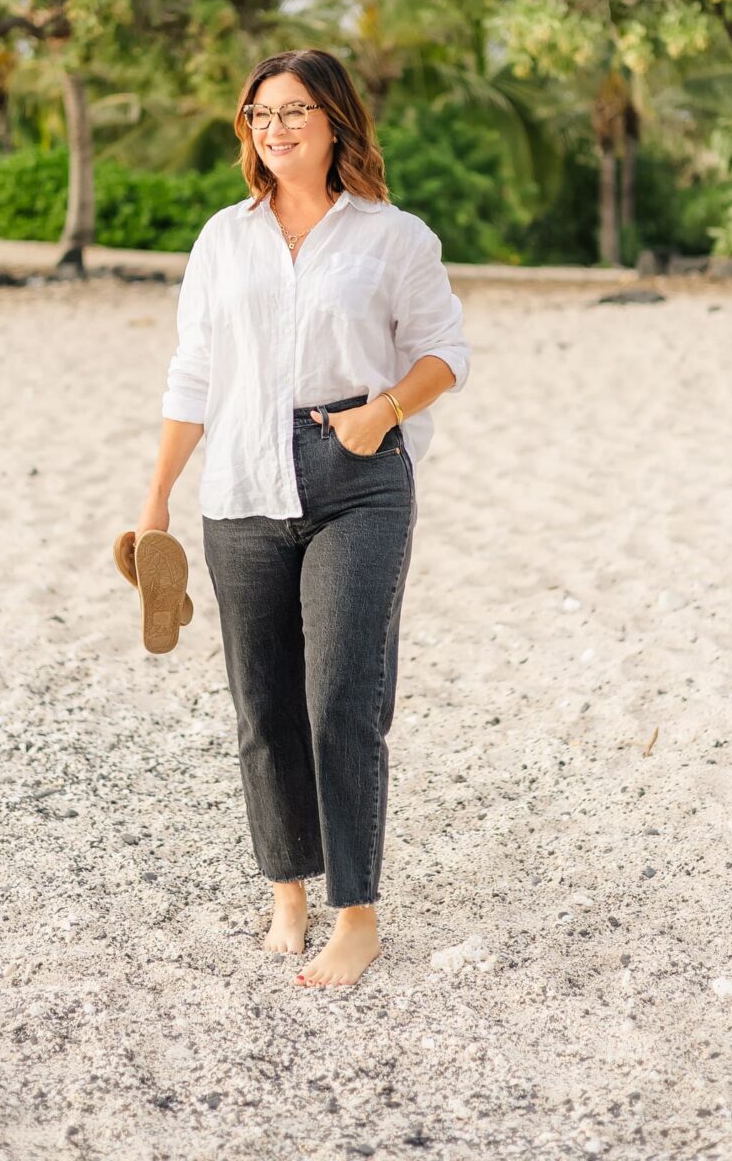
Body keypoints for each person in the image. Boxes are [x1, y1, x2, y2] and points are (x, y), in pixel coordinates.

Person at [135, 48, 471, 987]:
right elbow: (192, 374)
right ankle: (288, 887)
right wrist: (157, 494)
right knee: (263, 704)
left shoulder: (392, 236)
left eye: (292, 112)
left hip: (355, 474)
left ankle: (354, 914)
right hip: (239, 480)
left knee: (341, 702)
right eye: (258, 115)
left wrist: (381, 414)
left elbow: (446, 351)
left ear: (333, 121)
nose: (273, 130)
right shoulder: (222, 238)